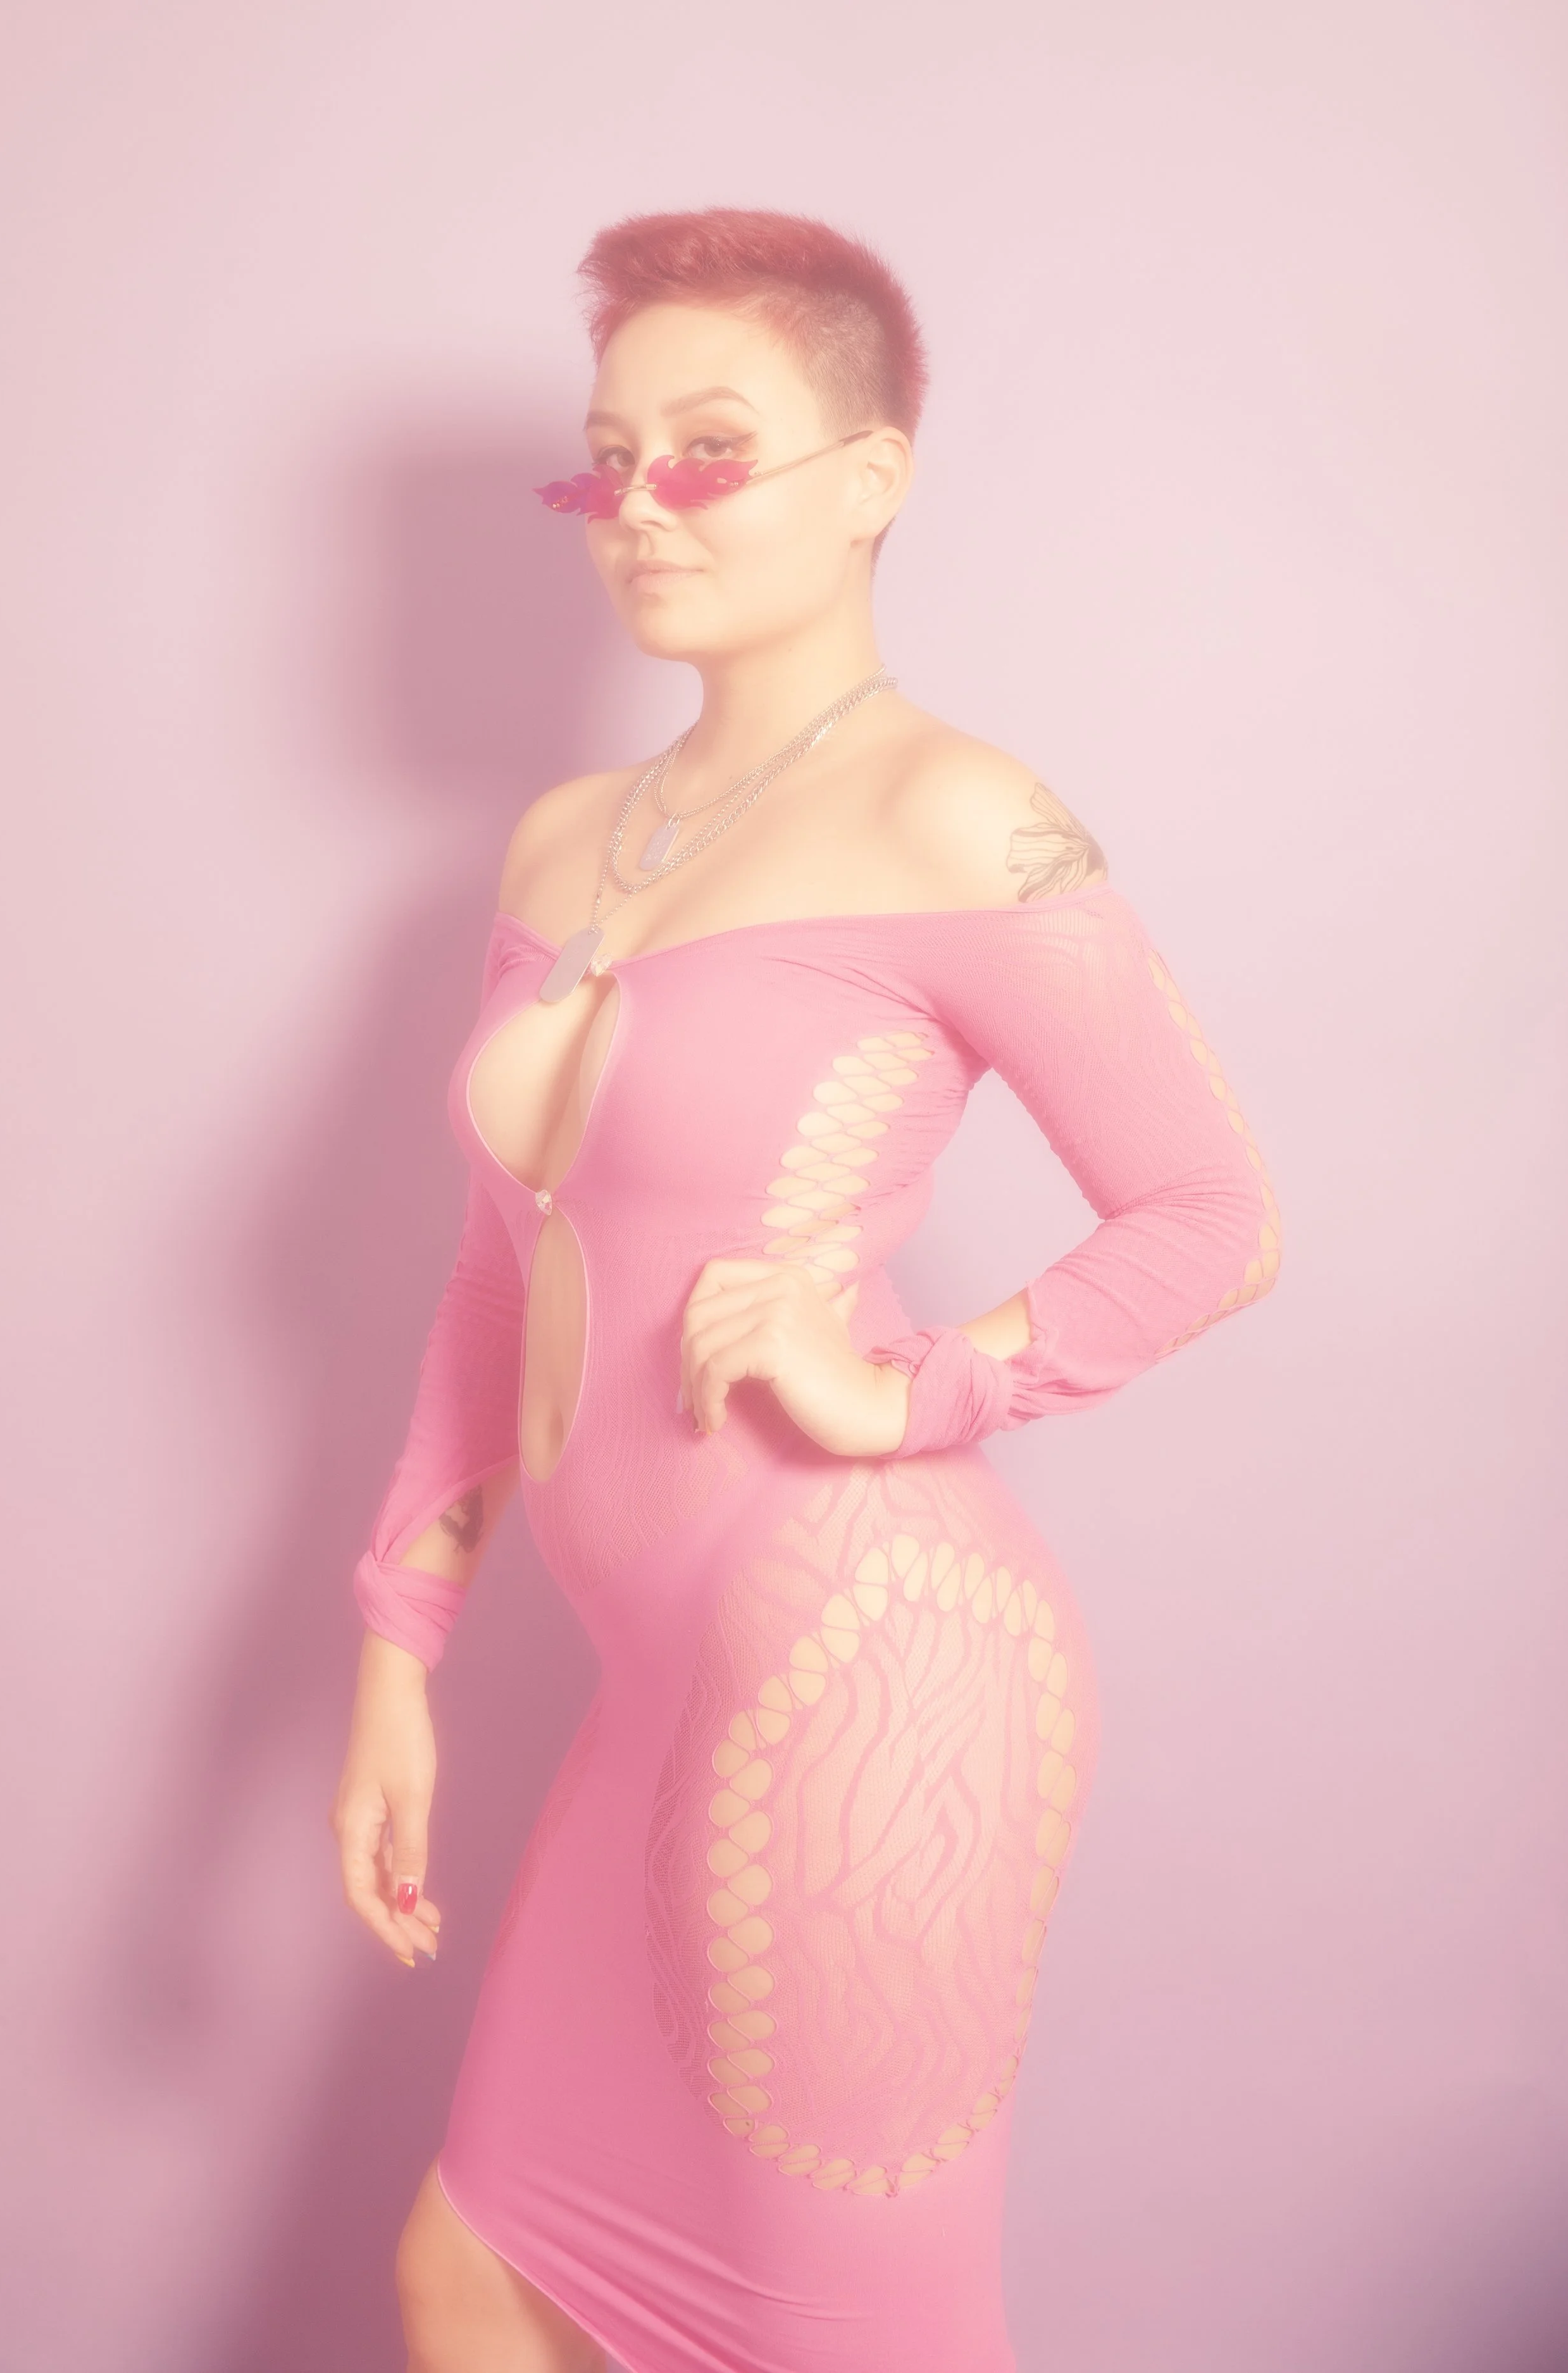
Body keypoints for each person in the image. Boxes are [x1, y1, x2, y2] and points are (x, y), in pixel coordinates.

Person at [329, 205, 1282, 2373]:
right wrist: (397, 1643)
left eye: (708, 449)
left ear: (870, 479)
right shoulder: (567, 841)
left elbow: (1209, 1209)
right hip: (653, 1687)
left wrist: (920, 1383)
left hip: (868, 1667)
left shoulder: (958, 813)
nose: (641, 504)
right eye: (607, 458)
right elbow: (497, 1268)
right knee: (471, 2281)